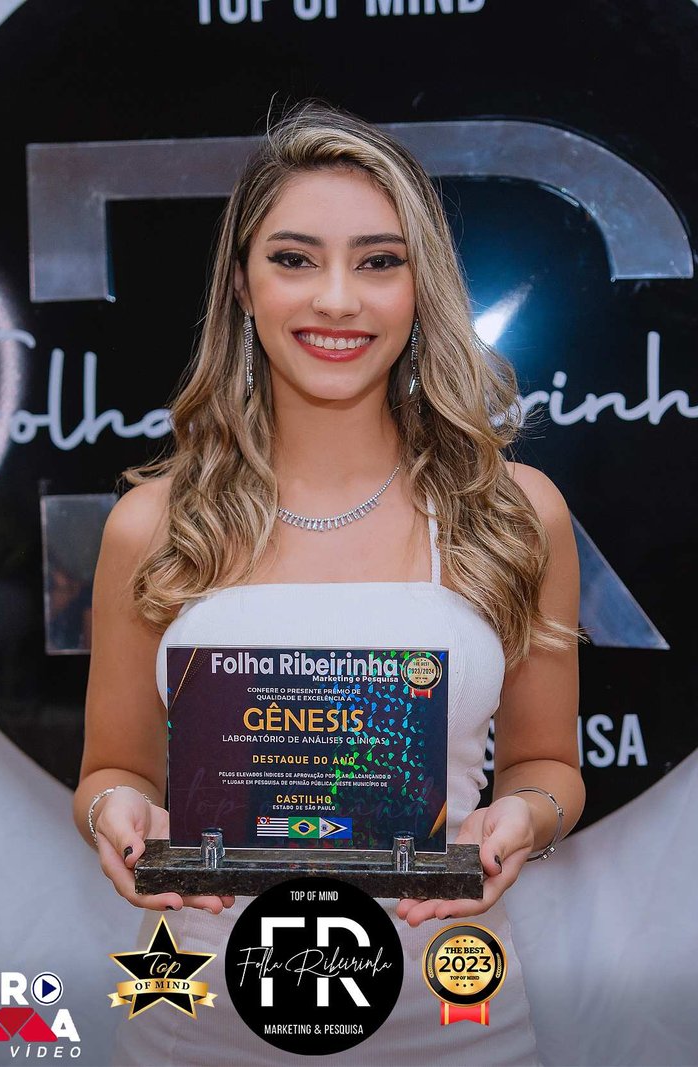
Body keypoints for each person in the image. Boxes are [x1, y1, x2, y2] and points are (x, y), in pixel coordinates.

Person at [75, 98, 586, 1066]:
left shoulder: (514, 511)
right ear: (242, 284)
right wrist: (115, 815)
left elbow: (548, 765)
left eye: (379, 261)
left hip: (454, 1022)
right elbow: (112, 770)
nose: (338, 300)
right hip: (195, 1027)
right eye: (295, 259)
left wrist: (525, 816)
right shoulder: (152, 524)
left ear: (420, 285)